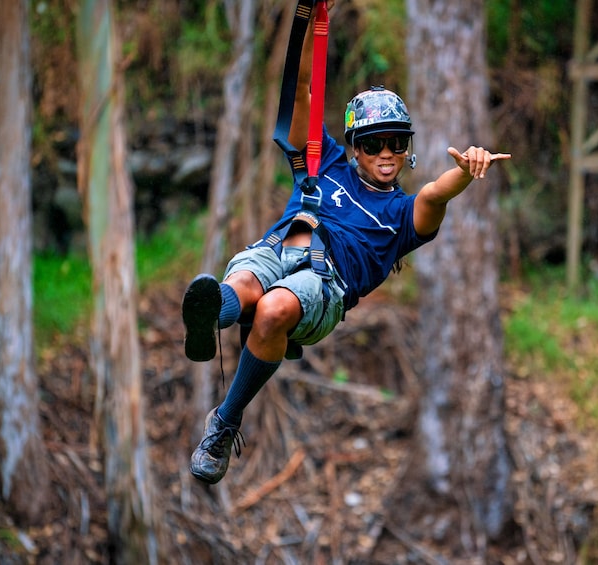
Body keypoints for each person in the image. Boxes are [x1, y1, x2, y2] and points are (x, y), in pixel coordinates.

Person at [182, 8, 511, 485]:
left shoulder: (402, 216)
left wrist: (467, 169)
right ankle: (214, 313)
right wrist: (303, 16)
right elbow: (297, 91)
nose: (385, 154)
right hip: (290, 238)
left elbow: (437, 192)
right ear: (355, 146)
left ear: (406, 151)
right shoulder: (324, 160)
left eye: (396, 144)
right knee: (246, 280)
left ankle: (223, 424)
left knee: (273, 309)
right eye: (375, 143)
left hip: (327, 280)